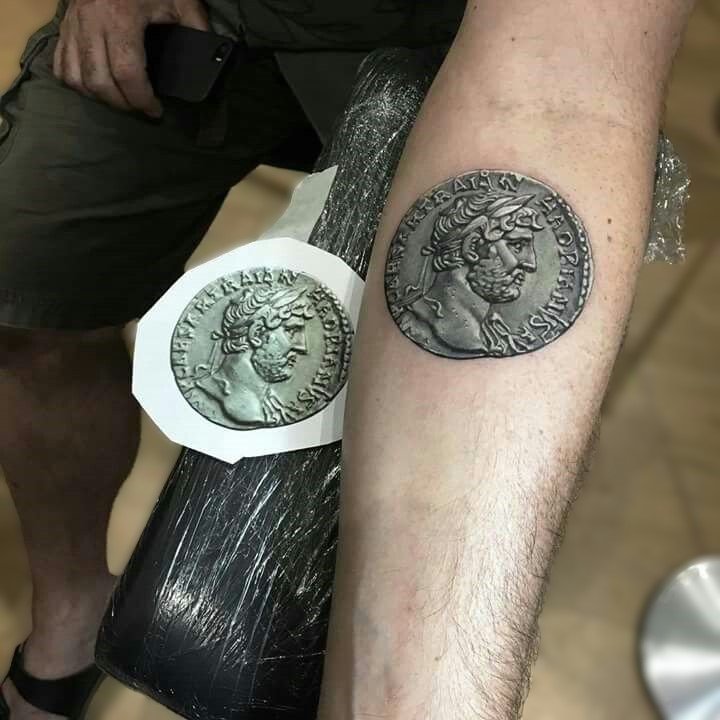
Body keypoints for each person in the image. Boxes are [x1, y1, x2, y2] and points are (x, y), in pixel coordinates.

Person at [0, 1, 696, 719]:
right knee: (26, 299)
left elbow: (555, 90)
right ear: (470, 245)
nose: (525, 266)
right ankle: (73, 602)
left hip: (434, 32)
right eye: (512, 246)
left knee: (374, 426)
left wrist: (403, 693)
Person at [194, 285, 314, 428]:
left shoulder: (270, 403)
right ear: (256, 334)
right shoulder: (242, 406)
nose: (302, 347)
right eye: (292, 331)